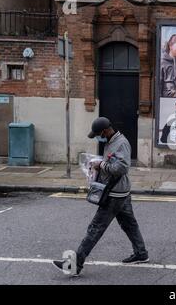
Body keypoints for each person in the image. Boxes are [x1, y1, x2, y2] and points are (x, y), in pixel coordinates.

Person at [53, 117, 149, 276]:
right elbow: (113, 163)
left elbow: (122, 168)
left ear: (104, 131)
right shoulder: (111, 141)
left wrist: (101, 165)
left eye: (98, 134)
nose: (98, 137)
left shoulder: (121, 143)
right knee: (129, 224)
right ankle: (141, 253)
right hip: (120, 192)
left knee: (95, 228)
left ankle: (74, 265)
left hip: (114, 194)